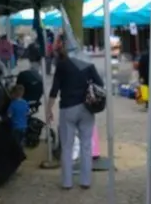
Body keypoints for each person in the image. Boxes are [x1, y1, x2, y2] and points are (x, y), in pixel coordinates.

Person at [46, 42, 102, 190]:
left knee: (67, 146)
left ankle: (67, 182)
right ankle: (85, 181)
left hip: (68, 108)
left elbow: (54, 90)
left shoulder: (62, 65)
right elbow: (100, 84)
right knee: (86, 145)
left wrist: (48, 108)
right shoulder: (87, 63)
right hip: (86, 108)